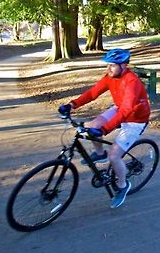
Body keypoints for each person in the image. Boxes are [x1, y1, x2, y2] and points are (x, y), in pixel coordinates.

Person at [58, 48, 150, 209]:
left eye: (112, 65)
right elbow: (93, 93)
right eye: (108, 65)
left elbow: (127, 109)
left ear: (123, 65)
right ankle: (100, 154)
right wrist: (72, 105)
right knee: (93, 125)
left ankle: (122, 186)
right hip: (120, 109)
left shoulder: (132, 82)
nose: (109, 69)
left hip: (135, 119)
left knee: (114, 156)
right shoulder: (110, 77)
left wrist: (105, 130)